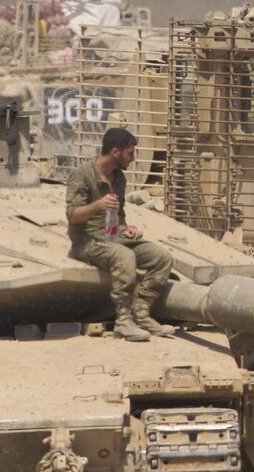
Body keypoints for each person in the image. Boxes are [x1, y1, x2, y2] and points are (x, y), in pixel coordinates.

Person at [64, 127, 175, 342]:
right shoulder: (82, 175)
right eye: (130, 153)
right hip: (88, 242)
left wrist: (126, 228)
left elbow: (119, 215)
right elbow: (72, 215)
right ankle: (123, 321)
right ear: (116, 152)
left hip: (113, 237)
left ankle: (141, 312)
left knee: (162, 257)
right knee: (125, 256)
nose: (133, 158)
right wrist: (98, 204)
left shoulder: (119, 178)